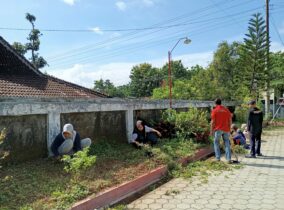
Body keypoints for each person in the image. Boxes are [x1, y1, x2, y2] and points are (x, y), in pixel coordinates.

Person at [211, 98, 232, 163]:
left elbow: (213, 122)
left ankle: (218, 158)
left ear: (215, 103)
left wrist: (211, 130)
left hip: (218, 129)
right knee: (227, 142)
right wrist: (229, 128)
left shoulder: (214, 110)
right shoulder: (226, 110)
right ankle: (228, 159)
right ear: (221, 103)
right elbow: (230, 120)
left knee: (216, 142)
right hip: (226, 129)